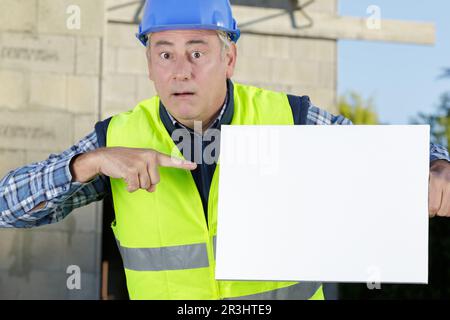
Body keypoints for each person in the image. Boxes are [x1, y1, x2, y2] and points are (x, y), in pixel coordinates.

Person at [0, 0, 449, 300]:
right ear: (149, 66)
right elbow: (7, 205)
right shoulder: (117, 136)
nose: (180, 71)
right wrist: (88, 163)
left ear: (229, 59)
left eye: (197, 53)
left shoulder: (290, 117)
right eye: (165, 54)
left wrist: (435, 166)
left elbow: (387, 151)